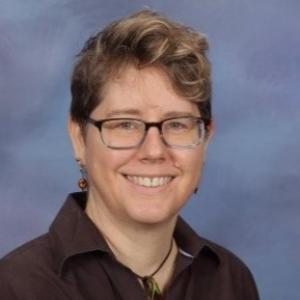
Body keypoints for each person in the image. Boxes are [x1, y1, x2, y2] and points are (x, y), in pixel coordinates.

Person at [0, 9, 260, 300]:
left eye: (176, 124)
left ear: (205, 139)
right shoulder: (17, 287)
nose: (154, 151)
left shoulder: (230, 280)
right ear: (79, 138)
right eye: (125, 124)